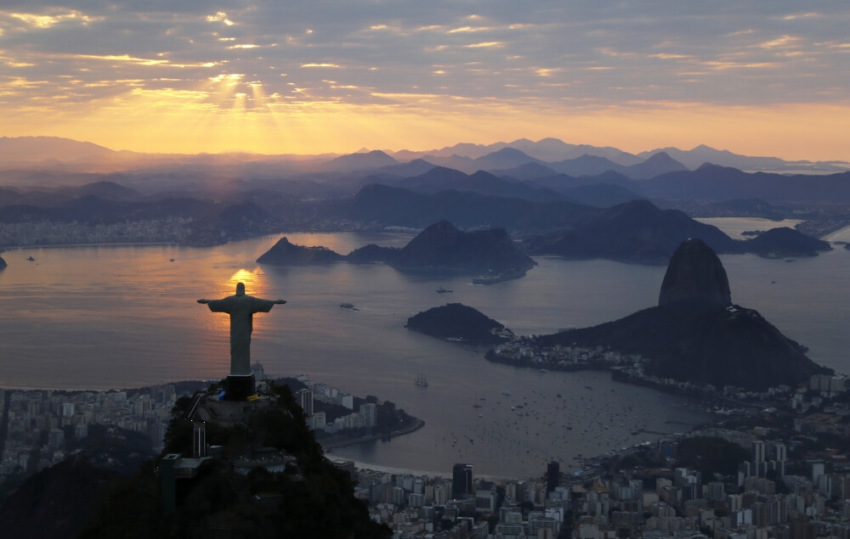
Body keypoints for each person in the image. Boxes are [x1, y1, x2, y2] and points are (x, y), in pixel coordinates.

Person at [198, 282, 286, 376]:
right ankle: (242, 372)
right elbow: (262, 302)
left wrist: (207, 301)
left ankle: (237, 372)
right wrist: (275, 302)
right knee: (244, 350)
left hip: (235, 331)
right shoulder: (249, 301)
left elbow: (218, 303)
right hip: (244, 331)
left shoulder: (231, 301)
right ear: (244, 289)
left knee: (235, 350)